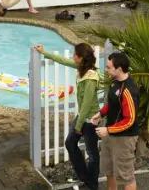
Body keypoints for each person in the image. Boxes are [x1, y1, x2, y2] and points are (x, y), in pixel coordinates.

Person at [34, 43, 101, 190]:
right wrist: (45, 52)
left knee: (92, 153)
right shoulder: (82, 68)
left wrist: (78, 125)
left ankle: (92, 185)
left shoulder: (90, 77)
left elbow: (87, 104)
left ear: (81, 57)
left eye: (74, 54)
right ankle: (84, 176)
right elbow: (63, 61)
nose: (72, 56)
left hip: (90, 119)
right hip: (83, 116)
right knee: (70, 144)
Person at [91, 53, 139, 190]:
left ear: (119, 69)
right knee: (109, 171)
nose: (105, 69)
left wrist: (108, 130)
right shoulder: (115, 82)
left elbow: (130, 120)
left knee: (125, 176)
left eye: (108, 67)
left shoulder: (128, 90)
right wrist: (101, 113)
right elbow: (112, 104)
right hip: (111, 134)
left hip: (124, 138)